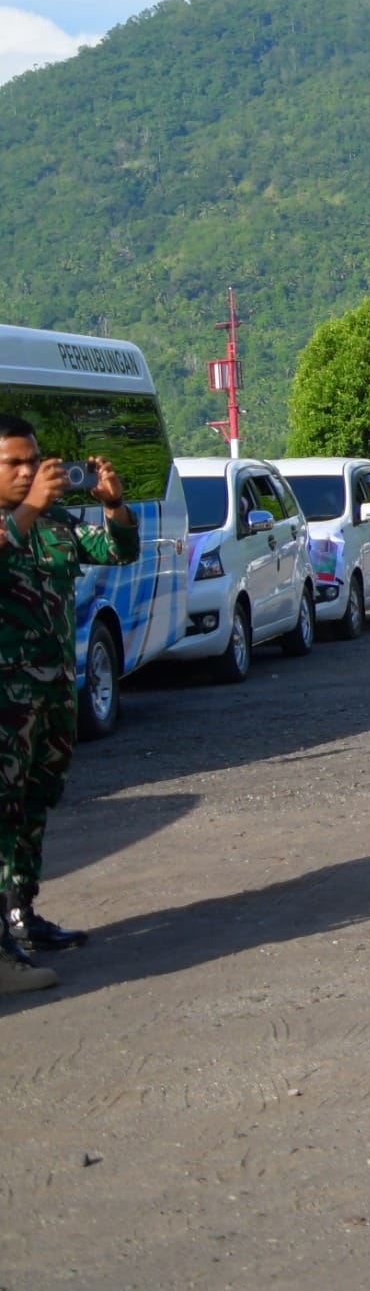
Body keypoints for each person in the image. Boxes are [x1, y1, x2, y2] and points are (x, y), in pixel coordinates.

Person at [0, 415, 137, 992]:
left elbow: (117, 551)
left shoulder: (53, 523)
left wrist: (114, 506)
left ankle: (21, 912)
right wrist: (27, 507)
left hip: (51, 690)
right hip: (4, 699)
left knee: (33, 802)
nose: (30, 470)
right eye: (14, 463)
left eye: (34, 458)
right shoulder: (19, 521)